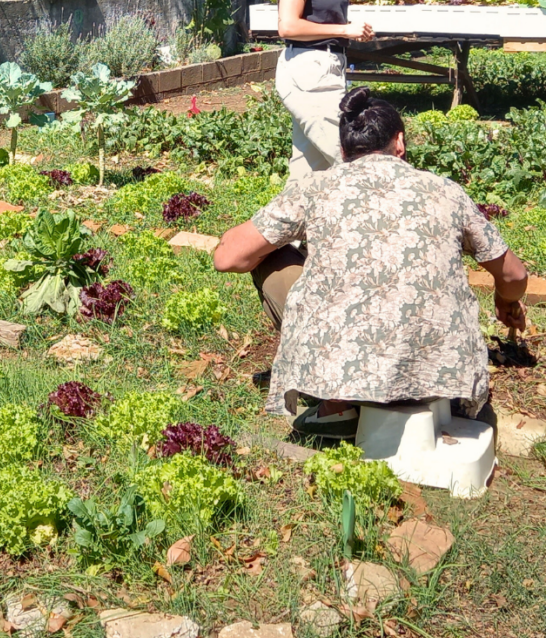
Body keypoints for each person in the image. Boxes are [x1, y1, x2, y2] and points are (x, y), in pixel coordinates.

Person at [213, 87, 527, 433]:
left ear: (344, 149)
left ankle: (337, 405)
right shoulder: (446, 190)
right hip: (442, 376)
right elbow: (513, 274)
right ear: (400, 142)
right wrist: (505, 300)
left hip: (345, 362)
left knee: (268, 257)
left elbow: (228, 257)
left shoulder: (316, 188)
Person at [274, 0, 382, 183]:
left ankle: (292, 230)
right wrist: (345, 30)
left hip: (322, 69)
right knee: (354, 160)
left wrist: (345, 33)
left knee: (308, 171)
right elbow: (288, 25)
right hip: (309, 73)